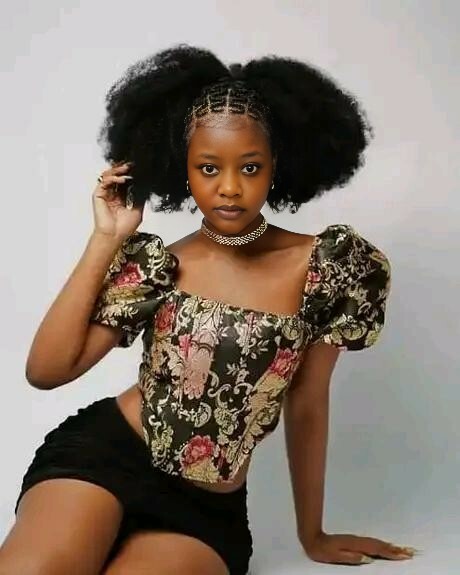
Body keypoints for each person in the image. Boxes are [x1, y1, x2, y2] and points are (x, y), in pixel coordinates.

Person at [0, 44, 418, 575]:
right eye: (208, 167)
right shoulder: (159, 265)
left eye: (250, 167)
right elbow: (46, 371)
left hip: (203, 510)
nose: (229, 188)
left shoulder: (329, 268)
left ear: (276, 165)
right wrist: (105, 240)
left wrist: (312, 533)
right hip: (104, 457)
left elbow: (308, 402)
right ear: (184, 169)